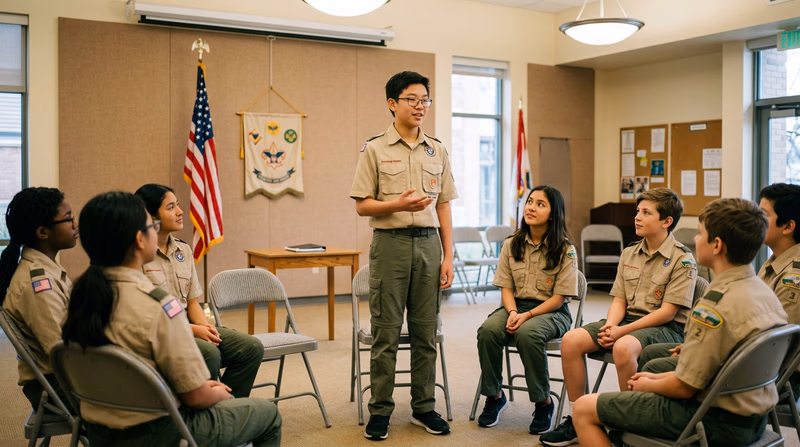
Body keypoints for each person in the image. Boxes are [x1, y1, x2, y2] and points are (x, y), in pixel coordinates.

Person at [60, 191, 281, 446]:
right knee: (268, 414)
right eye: (152, 226)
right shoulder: (160, 306)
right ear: (139, 240)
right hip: (160, 432)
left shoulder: (79, 297)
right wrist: (217, 395)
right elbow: (196, 399)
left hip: (99, 431)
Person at [571, 198, 788, 447]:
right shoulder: (763, 291)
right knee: (651, 368)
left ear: (716, 245)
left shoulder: (713, 306)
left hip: (713, 420)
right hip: (755, 417)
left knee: (585, 408)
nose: (695, 240)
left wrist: (645, 384)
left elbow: (684, 388)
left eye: (699, 233)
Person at [540, 187, 696, 446]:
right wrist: (611, 325)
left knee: (623, 347)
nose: (637, 217)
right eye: (638, 211)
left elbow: (667, 312)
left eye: (646, 212)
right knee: (571, 341)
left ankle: (629, 426)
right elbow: (619, 300)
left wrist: (621, 332)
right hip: (626, 321)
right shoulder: (630, 252)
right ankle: (577, 417)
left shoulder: (682, 259)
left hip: (665, 327)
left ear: (666, 222)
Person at [349, 71, 458, 440]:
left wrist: (448, 256)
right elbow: (363, 206)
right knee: (387, 333)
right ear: (392, 103)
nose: (420, 106)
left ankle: (424, 408)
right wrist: (397, 203)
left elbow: (444, 206)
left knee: (426, 332)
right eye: (412, 99)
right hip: (390, 245)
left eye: (425, 99)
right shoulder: (375, 148)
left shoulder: (437, 149)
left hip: (429, 245)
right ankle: (379, 411)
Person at [639, 183, 800, 379]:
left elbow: (776, 343)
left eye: (764, 214)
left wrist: (708, 350)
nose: (757, 221)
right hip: (753, 361)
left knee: (653, 368)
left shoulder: (793, 277)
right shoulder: (773, 261)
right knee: (651, 353)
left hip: (769, 373)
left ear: (788, 226)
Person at [135, 184, 263, 398]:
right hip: (162, 331)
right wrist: (194, 331)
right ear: (150, 216)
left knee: (251, 347)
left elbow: (192, 303)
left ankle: (229, 408)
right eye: (171, 207)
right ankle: (205, 414)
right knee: (209, 353)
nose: (180, 211)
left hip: (189, 323)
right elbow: (145, 317)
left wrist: (205, 328)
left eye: (178, 205)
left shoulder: (183, 250)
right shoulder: (138, 255)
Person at [476, 186, 578, 434]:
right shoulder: (512, 243)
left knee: (528, 333)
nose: (531, 207)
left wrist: (527, 316)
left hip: (552, 312)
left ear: (553, 214)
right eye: (530, 201)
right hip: (515, 307)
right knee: (487, 331)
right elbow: (506, 288)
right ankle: (495, 396)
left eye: (540, 204)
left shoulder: (565, 248)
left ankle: (544, 402)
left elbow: (559, 298)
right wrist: (512, 313)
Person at [0, 187, 78, 411]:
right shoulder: (38, 286)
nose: (75, 224)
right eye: (68, 219)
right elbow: (63, 353)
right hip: (60, 388)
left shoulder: (46, 269)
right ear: (43, 232)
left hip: (67, 379)